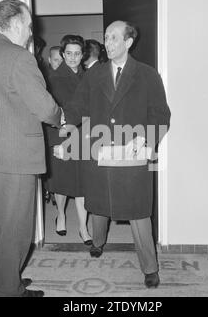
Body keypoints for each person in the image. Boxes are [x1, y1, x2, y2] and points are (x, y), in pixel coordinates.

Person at [55, 21, 171, 288]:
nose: (108, 42)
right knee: (99, 202)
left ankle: (150, 268)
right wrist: (65, 126)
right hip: (100, 150)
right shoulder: (93, 75)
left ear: (128, 42)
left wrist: (147, 138)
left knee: (138, 212)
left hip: (133, 152)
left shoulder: (147, 74)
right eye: (106, 37)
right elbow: (77, 106)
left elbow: (160, 113)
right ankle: (97, 242)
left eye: (114, 37)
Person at [0, 0, 63, 297]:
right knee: (18, 230)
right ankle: (9, 291)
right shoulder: (20, 57)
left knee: (6, 227)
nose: (31, 33)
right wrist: (61, 117)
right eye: (29, 26)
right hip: (15, 158)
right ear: (17, 23)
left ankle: (5, 281)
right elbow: (45, 107)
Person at [44, 35, 92, 245]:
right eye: (69, 53)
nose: (73, 58)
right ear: (63, 55)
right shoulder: (53, 79)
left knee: (83, 184)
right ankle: (61, 215)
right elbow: (50, 113)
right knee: (62, 183)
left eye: (77, 53)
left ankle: (83, 228)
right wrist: (56, 142)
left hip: (85, 137)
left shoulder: (89, 77)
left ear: (83, 55)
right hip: (63, 137)